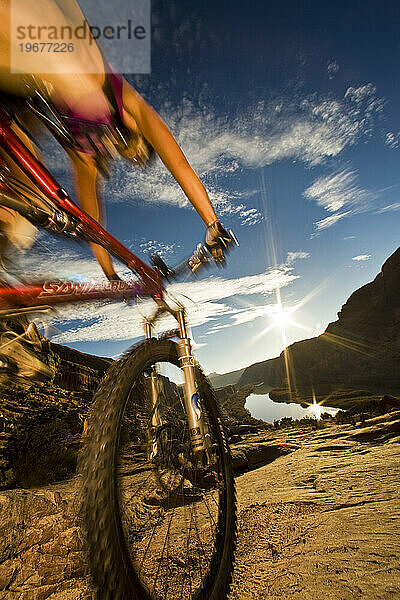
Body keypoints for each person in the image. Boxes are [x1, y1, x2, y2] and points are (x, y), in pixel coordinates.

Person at [0, 0, 233, 380]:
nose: (131, 154)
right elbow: (180, 165)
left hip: (21, 75)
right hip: (37, 33)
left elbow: (92, 221)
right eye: (138, 150)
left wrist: (110, 276)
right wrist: (213, 224)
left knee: (24, 199)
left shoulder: (87, 151)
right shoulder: (125, 100)